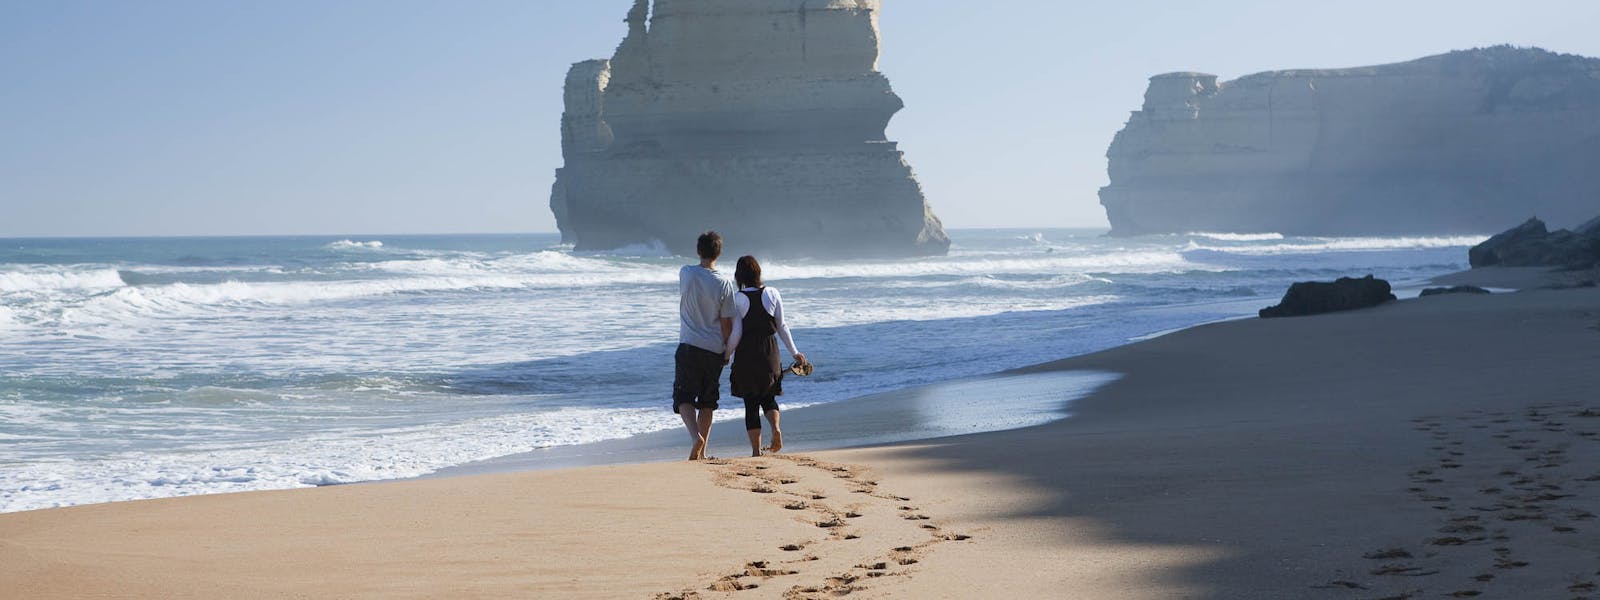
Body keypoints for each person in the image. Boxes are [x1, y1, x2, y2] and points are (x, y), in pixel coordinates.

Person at [724, 255, 805, 457]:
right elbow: (782, 326)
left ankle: (756, 450)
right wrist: (795, 352)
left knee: (751, 403)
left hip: (746, 354)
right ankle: (776, 429)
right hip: (770, 352)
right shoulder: (772, 293)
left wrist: (726, 354)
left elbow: (736, 333)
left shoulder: (738, 298)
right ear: (758, 273)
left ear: (739, 275)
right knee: (768, 397)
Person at [675, 231, 738, 461]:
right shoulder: (724, 283)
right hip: (713, 349)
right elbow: (726, 324)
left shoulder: (686, 273)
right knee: (708, 401)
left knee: (683, 397)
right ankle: (703, 450)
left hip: (689, 345)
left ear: (698, 250)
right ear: (718, 253)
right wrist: (727, 351)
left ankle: (695, 438)